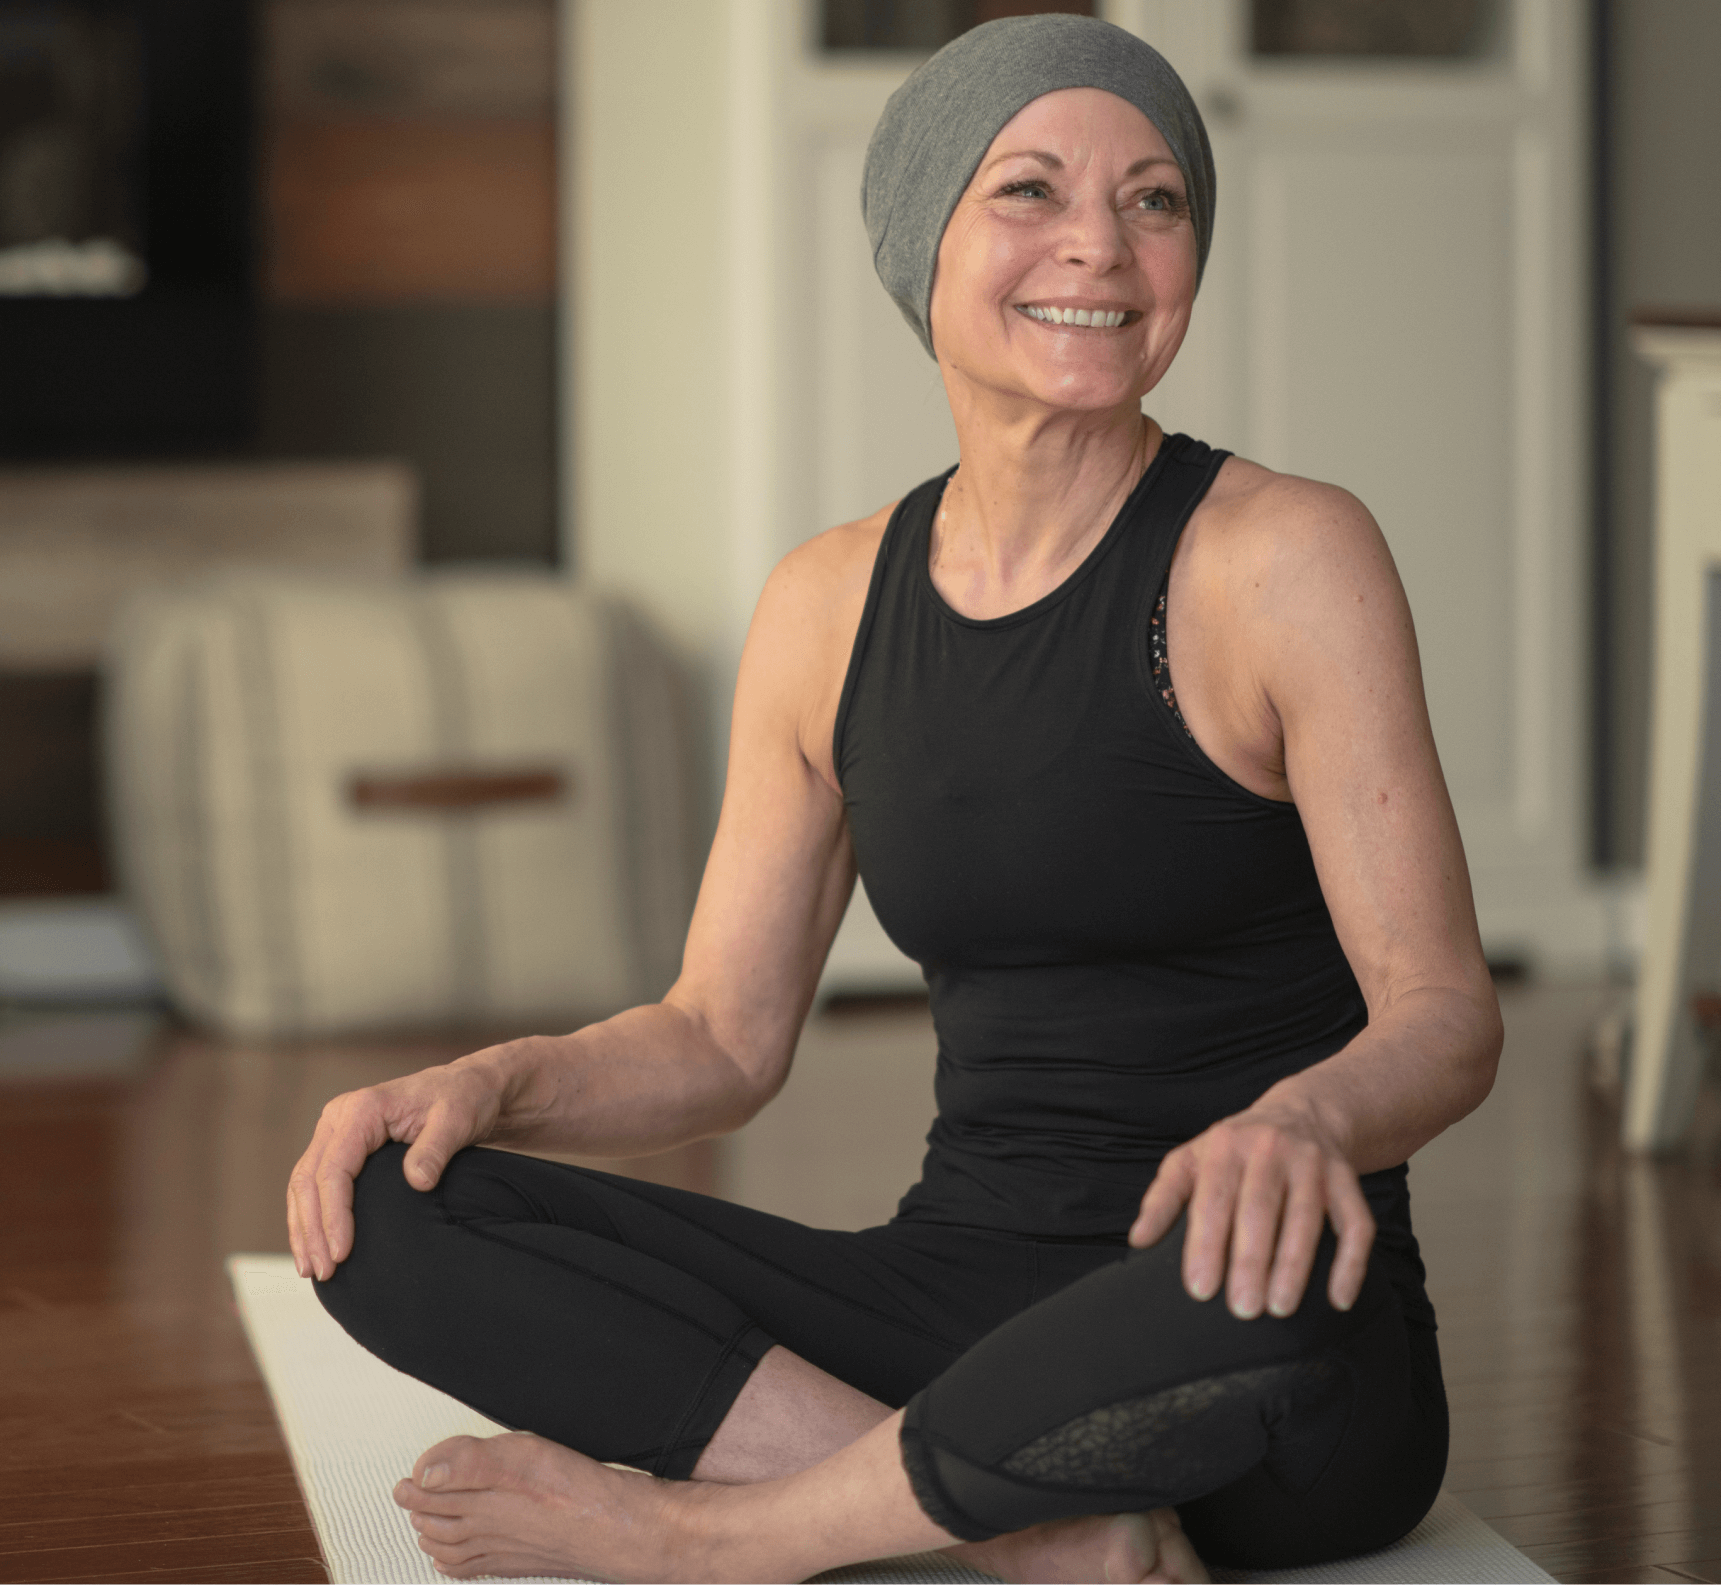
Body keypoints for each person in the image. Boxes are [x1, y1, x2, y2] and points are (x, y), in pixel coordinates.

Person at [286, 15, 1502, 1584]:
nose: (1103, 247)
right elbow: (723, 1036)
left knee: (1251, 1294)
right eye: (1031, 193)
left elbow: (1444, 1008)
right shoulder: (827, 603)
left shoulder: (1287, 559)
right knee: (387, 1205)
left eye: (1156, 200)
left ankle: (723, 1536)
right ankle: (1045, 1534)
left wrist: (1299, 1121)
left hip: (1244, 1315)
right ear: (921, 241)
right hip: (956, 1293)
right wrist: (492, 1082)